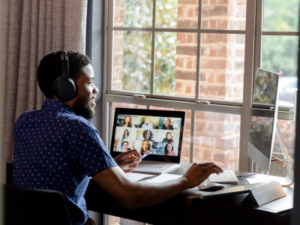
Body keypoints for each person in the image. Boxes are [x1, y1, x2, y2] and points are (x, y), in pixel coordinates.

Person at [13, 50, 223, 225]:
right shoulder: (78, 128)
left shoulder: (24, 121)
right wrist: (185, 180)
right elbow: (130, 197)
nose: (95, 90)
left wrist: (108, 165)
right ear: (65, 88)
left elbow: (57, 171)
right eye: (89, 83)